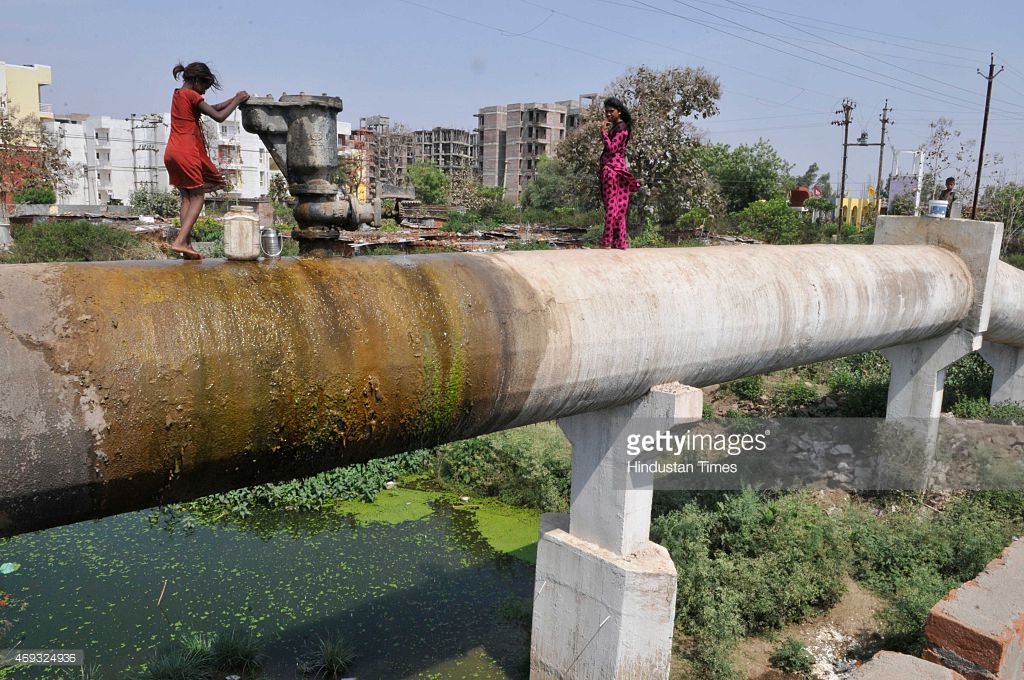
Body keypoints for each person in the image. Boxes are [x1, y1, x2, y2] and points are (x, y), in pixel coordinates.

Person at [163, 62, 249, 259]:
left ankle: (186, 245)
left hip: (172, 151)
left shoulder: (178, 94)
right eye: (204, 87)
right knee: (198, 196)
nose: (204, 92)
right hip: (186, 150)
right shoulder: (192, 95)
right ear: (195, 80)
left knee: (186, 196)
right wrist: (237, 99)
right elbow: (219, 116)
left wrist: (234, 99)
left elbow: (212, 108)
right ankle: (179, 241)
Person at [598, 97, 640, 250]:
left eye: (611, 111)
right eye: (606, 112)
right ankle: (620, 242)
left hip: (613, 170)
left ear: (619, 112)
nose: (608, 114)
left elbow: (612, 148)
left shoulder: (621, 129)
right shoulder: (619, 127)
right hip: (617, 170)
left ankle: (607, 241)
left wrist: (603, 132)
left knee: (612, 207)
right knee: (619, 207)